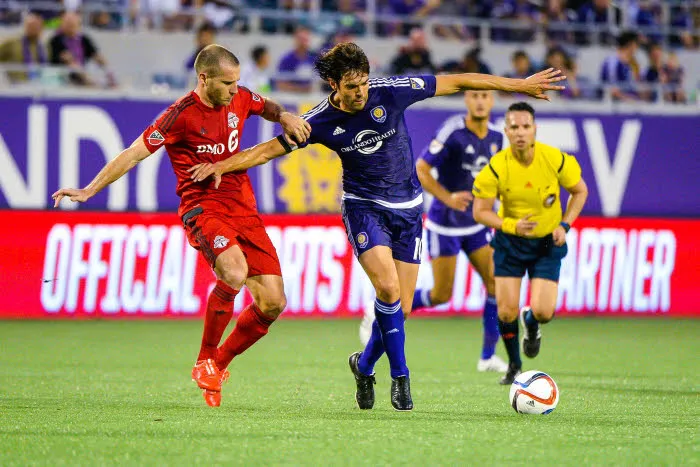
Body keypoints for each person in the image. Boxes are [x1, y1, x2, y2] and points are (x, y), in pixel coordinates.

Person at [187, 43, 565, 411]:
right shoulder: (319, 120)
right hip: (364, 208)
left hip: (409, 209)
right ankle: (400, 377)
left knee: (400, 307)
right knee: (387, 289)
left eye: (364, 83)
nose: (361, 93)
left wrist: (518, 86)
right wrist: (223, 165)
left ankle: (364, 365)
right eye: (352, 87)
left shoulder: (391, 92)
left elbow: (458, 81)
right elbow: (268, 150)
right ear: (334, 85)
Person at [52, 44, 311, 408]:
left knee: (273, 302)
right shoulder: (179, 116)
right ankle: (205, 358)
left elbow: (264, 104)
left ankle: (217, 365)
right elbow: (133, 153)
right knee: (234, 272)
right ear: (204, 79)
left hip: (244, 208)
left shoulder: (237, 96)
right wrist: (89, 189)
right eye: (227, 84)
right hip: (203, 207)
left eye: (238, 83)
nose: (235, 91)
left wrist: (283, 115)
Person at [358, 90, 508, 374]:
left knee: (495, 284)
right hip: (445, 224)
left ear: (492, 101)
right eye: (474, 95)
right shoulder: (453, 131)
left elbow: (499, 176)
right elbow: (423, 169)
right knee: (441, 295)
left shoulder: (498, 137)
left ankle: (488, 357)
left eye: (485, 96)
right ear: (467, 100)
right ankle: (379, 309)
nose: (479, 101)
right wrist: (448, 197)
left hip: (476, 224)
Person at [471, 102, 588, 385]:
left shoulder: (555, 159)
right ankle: (514, 365)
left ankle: (532, 323)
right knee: (505, 311)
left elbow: (579, 191)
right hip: (511, 243)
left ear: (535, 129)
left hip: (547, 244)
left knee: (544, 312)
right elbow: (480, 211)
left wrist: (565, 224)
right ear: (506, 131)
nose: (520, 132)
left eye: (526, 126)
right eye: (514, 127)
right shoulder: (496, 168)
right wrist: (511, 225)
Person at [49, 11, 115, 87]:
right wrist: (88, 79)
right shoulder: (56, 40)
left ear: (78, 25)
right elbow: (69, 61)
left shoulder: (84, 39)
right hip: (61, 79)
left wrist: (109, 73)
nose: (70, 26)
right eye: (68, 24)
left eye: (73, 24)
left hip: (81, 77)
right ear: (62, 24)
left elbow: (97, 57)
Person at [0, 12, 47, 83]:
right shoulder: (13, 43)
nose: (34, 28)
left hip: (39, 86)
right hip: (15, 86)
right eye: (31, 26)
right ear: (26, 26)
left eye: (37, 26)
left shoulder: (43, 47)